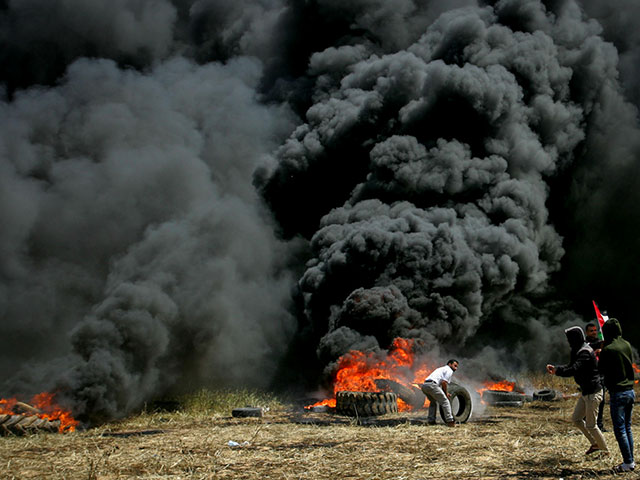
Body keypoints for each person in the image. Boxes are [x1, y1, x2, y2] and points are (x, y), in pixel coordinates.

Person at [546, 326, 608, 455]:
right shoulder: (577, 350)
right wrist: (557, 368)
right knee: (577, 419)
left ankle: (605, 450)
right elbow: (570, 366)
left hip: (593, 392)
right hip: (586, 392)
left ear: (574, 339)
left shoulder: (584, 353)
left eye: (569, 339)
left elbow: (574, 369)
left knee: (591, 425)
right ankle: (595, 444)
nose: (568, 342)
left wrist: (557, 371)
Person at [599, 318, 635, 473]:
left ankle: (627, 463)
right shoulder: (626, 344)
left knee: (620, 429)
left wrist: (602, 350)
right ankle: (630, 460)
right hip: (630, 391)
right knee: (627, 427)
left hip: (618, 393)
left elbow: (601, 369)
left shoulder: (609, 349)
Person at [421, 359, 459, 427]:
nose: (456, 368)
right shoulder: (449, 370)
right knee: (445, 401)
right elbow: (444, 382)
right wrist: (446, 393)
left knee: (433, 402)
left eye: (457, 367)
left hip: (425, 385)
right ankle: (450, 421)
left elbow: (441, 383)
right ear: (450, 364)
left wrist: (444, 392)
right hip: (432, 385)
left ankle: (431, 421)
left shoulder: (441, 369)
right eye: (455, 366)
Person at [585, 322, 606, 432]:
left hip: (600, 374)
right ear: (587, 332)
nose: (594, 333)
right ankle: (587, 422)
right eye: (591, 331)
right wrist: (595, 352)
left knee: (601, 400)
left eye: (595, 330)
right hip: (589, 376)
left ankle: (600, 424)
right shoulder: (584, 344)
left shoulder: (601, 342)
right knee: (588, 400)